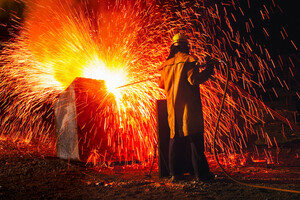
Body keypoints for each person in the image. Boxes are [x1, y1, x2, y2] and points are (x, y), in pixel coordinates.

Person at [159, 33, 218, 182]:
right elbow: (194, 79)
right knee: (196, 144)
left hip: (173, 112)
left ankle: (175, 174)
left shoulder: (166, 64)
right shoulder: (189, 60)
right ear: (186, 46)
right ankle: (202, 175)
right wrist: (209, 70)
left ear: (173, 47)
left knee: (175, 142)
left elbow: (161, 85)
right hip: (188, 111)